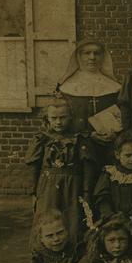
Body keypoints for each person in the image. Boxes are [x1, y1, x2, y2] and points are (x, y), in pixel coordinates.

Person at [25, 98, 95, 244]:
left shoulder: (79, 139)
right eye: (54, 118)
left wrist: (87, 192)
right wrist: (33, 192)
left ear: (70, 118)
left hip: (73, 187)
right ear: (47, 119)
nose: (58, 122)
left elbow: (87, 167)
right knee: (46, 219)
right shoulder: (42, 139)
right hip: (47, 187)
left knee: (72, 220)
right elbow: (34, 166)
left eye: (63, 118)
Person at [92, 135, 132, 245]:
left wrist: (129, 217)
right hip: (111, 220)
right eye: (128, 155)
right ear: (117, 155)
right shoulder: (109, 173)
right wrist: (110, 216)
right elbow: (102, 198)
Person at [57, 39, 122, 136]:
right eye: (86, 53)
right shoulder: (65, 88)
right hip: (77, 142)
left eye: (97, 53)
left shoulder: (115, 87)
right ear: (78, 56)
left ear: (103, 56)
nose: (92, 57)